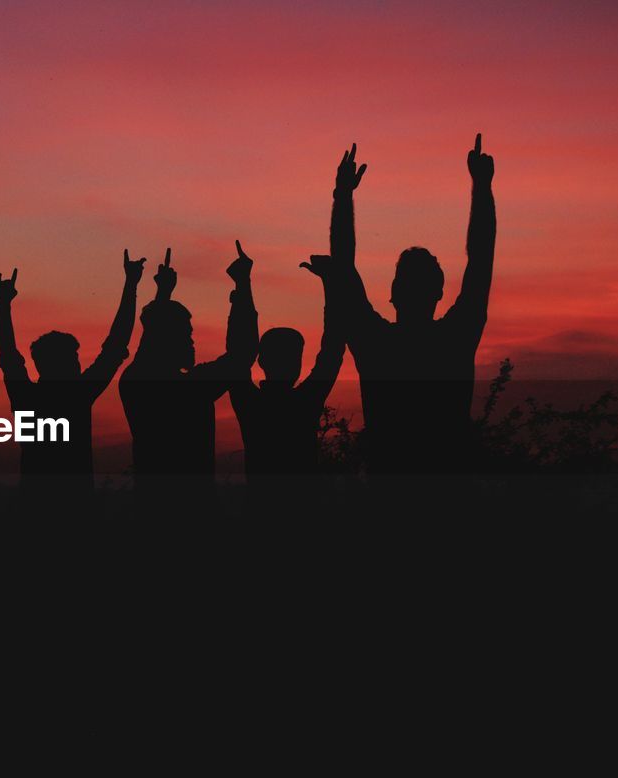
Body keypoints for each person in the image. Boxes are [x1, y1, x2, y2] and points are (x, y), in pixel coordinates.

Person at [306, 135, 496, 473]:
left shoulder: (376, 343)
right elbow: (480, 261)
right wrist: (482, 187)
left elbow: (344, 266)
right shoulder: (455, 339)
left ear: (392, 291)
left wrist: (343, 195)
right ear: (438, 293)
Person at [119, 244, 258, 508]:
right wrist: (242, 286)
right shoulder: (191, 390)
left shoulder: (134, 384)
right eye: (186, 335)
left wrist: (162, 295)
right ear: (168, 341)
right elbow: (242, 353)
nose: (192, 342)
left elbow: (148, 348)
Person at [0, 250, 142, 498]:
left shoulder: (25, 396)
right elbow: (116, 345)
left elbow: (9, 356)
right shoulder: (77, 394)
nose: (78, 364)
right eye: (73, 358)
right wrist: (131, 284)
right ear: (60, 363)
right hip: (75, 503)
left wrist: (4, 306)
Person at [229, 255, 345, 481]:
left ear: (261, 361)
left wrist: (243, 285)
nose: (294, 362)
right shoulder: (305, 401)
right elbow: (332, 350)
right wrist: (330, 283)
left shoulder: (249, 403)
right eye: (293, 356)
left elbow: (238, 355)